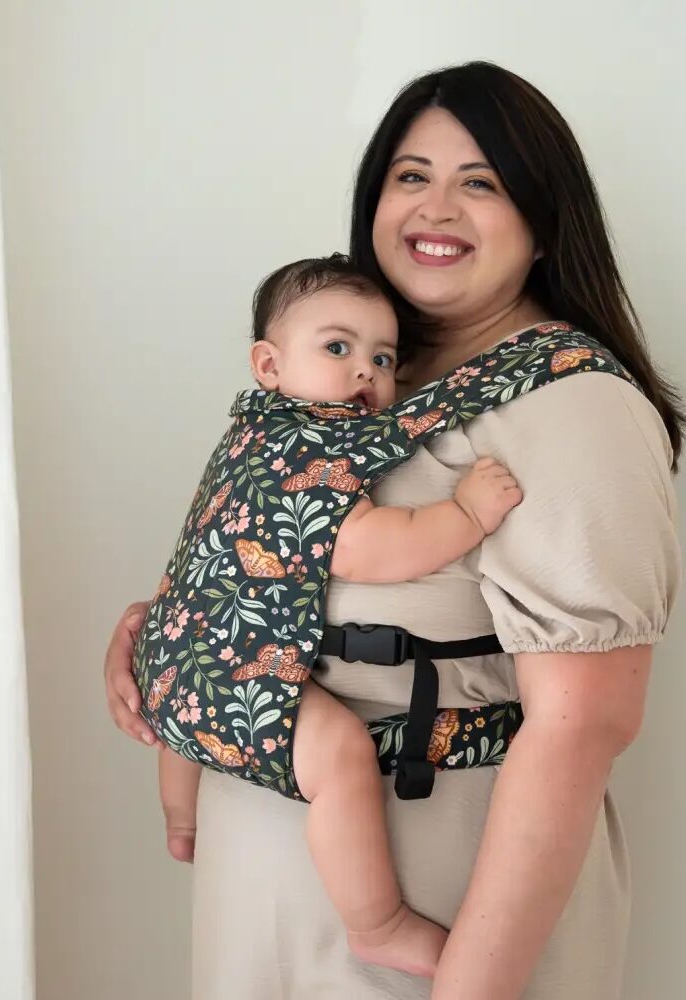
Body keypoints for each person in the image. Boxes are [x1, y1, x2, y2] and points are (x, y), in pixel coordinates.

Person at [105, 61, 684, 1000]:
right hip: (269, 871)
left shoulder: (573, 403)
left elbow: (585, 724)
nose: (435, 208)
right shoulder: (358, 375)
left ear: (543, 222)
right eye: (410, 176)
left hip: (437, 895)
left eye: (481, 182)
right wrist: (171, 638)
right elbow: (278, 552)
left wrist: (472, 985)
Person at [148, 253, 522, 979]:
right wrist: (466, 512)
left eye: (383, 358)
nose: (365, 373)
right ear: (269, 363)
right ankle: (376, 922)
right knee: (342, 754)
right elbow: (367, 549)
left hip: (177, 662)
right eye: (338, 347)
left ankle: (182, 818)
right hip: (238, 681)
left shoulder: (247, 432)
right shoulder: (318, 446)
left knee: (185, 727)